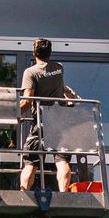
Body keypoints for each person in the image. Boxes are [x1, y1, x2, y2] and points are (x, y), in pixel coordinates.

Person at [19, 37, 80, 192]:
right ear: (50, 52)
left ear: (34, 53)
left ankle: (24, 192)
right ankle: (64, 192)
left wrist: (11, 113)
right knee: (62, 158)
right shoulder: (59, 68)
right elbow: (60, 85)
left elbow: (27, 101)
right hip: (61, 119)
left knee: (30, 160)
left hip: (42, 120)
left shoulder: (31, 72)